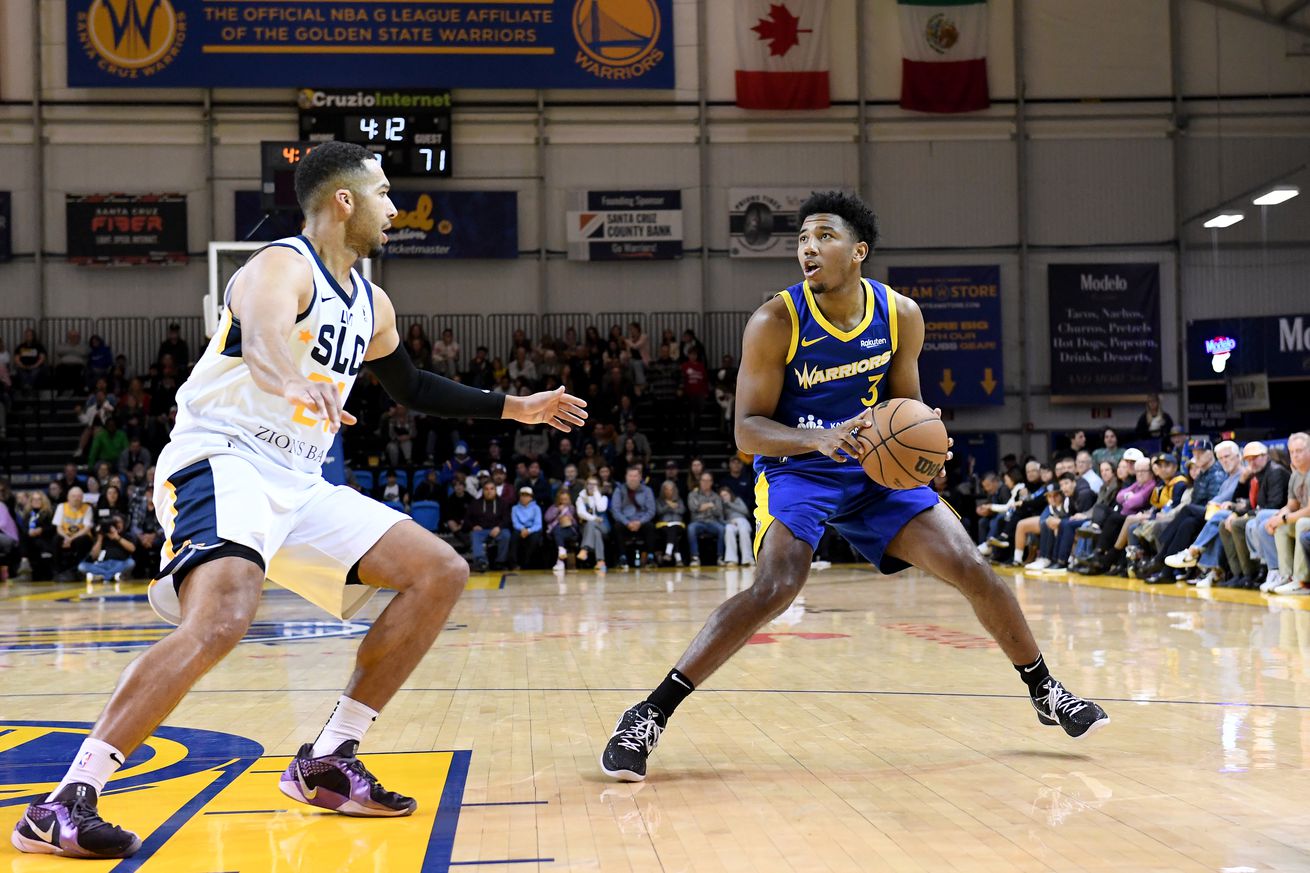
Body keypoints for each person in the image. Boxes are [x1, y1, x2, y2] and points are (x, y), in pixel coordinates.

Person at [11, 141, 587, 860]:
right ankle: (65, 800)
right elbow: (261, 341)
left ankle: (329, 756)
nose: (393, 207)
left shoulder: (373, 304)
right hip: (221, 456)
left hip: (298, 480)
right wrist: (288, 378)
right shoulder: (278, 267)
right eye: (382, 193)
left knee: (438, 570)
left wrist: (515, 408)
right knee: (221, 616)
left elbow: (412, 387)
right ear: (344, 200)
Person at [599, 191, 1107, 783]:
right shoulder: (775, 321)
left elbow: (905, 403)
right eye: (801, 240)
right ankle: (648, 714)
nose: (807, 248)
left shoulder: (900, 315)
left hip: (872, 467)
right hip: (799, 468)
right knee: (776, 586)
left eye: (823, 237)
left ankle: (1047, 692)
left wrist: (923, 437)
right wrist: (816, 439)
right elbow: (745, 431)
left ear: (858, 251)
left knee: (971, 564)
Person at [1257, 432, 1309, 595]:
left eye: (1299, 451)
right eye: (1292, 452)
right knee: (1281, 527)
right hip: (1304, 519)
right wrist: (1278, 517)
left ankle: (1302, 580)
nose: (1295, 455)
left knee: (1299, 523)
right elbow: (1291, 505)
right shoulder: (1295, 475)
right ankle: (1286, 576)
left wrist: (1285, 518)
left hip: (1307, 519)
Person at [610, 464, 656, 569]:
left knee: (650, 526)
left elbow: (651, 510)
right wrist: (627, 523)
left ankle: (650, 557)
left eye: (635, 476)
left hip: (642, 522)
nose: (633, 478)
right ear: (626, 477)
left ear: (640, 477)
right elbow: (615, 510)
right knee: (617, 527)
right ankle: (622, 558)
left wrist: (640, 522)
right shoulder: (619, 490)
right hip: (625, 522)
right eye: (630, 476)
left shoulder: (647, 490)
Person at [77, 515, 137, 584]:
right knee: (82, 566)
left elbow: (132, 549)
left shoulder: (127, 535)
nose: (117, 525)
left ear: (124, 523)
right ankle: (112, 576)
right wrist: (100, 538)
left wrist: (117, 537)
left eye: (119, 522)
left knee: (130, 562)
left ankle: (102, 576)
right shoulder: (102, 536)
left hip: (119, 563)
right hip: (102, 564)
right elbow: (94, 556)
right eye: (114, 523)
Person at [468, 480, 512, 571]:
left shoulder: (503, 503)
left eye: (492, 489)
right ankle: (481, 562)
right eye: (486, 489)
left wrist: (499, 527)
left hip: (497, 530)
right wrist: (473, 526)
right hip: (481, 530)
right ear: (483, 491)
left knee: (506, 535)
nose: (489, 491)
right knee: (474, 534)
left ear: (496, 490)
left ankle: (500, 562)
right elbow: (467, 519)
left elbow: (507, 519)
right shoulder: (475, 503)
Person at [686, 471, 725, 568]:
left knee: (722, 529)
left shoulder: (716, 496)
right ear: (700, 481)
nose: (706, 483)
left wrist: (702, 507)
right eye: (703, 480)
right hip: (697, 522)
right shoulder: (693, 494)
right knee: (691, 528)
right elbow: (693, 508)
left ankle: (720, 557)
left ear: (712, 482)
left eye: (708, 481)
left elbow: (719, 512)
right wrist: (709, 505)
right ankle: (695, 557)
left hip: (712, 522)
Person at [576, 476, 609, 572]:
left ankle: (585, 549)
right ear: (586, 485)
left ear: (598, 486)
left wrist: (596, 493)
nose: (592, 486)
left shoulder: (603, 498)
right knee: (595, 531)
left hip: (604, 526)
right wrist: (594, 518)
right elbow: (581, 513)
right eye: (590, 484)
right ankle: (600, 561)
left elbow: (600, 508)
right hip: (586, 529)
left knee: (594, 527)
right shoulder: (581, 498)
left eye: (595, 484)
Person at [719, 485, 754, 567]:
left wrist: (730, 504)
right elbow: (720, 519)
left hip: (742, 520)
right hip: (730, 522)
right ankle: (731, 560)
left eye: (725, 495)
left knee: (743, 531)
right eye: (722, 496)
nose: (724, 497)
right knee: (728, 529)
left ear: (730, 494)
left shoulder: (737, 500)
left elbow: (745, 511)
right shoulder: (721, 506)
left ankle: (747, 559)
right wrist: (728, 522)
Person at [654, 480, 687, 566]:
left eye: (671, 489)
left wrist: (673, 506)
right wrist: (668, 505)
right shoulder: (659, 500)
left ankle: (668, 553)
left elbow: (682, 510)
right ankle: (678, 559)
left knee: (673, 528)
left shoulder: (679, 500)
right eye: (666, 489)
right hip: (664, 524)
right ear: (663, 490)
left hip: (678, 523)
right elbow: (659, 512)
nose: (668, 491)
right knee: (672, 532)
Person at [545, 489, 579, 571]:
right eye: (562, 499)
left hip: (569, 530)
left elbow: (576, 525)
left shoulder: (571, 508)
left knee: (558, 532)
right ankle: (560, 558)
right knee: (557, 529)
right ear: (558, 499)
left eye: (566, 499)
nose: (564, 501)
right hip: (556, 530)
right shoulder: (554, 507)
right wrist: (557, 511)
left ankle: (561, 554)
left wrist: (571, 519)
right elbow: (547, 518)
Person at [511, 486, 543, 569]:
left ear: (531, 497)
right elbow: (515, 523)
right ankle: (514, 563)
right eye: (522, 495)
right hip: (520, 529)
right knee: (514, 537)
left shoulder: (536, 508)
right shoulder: (515, 508)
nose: (524, 497)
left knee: (534, 538)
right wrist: (522, 529)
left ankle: (527, 563)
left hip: (532, 529)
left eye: (527, 495)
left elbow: (538, 524)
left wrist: (528, 531)